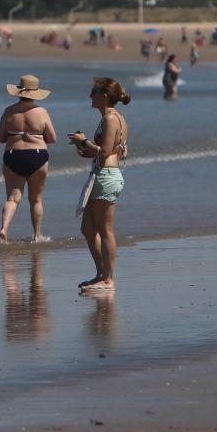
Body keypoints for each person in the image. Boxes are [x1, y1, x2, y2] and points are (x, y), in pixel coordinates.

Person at [70, 77, 130, 292]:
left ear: (104, 96)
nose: (90, 96)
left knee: (105, 229)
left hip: (107, 176)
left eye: (94, 92)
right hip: (102, 173)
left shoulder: (112, 119)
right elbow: (108, 151)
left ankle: (108, 278)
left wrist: (84, 141)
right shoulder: (113, 118)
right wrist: (84, 149)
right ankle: (101, 274)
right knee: (87, 228)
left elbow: (105, 152)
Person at [0, 73, 55, 243]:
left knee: (13, 198)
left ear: (19, 91)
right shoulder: (41, 112)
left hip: (13, 155)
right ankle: (37, 235)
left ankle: (4, 229)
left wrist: (14, 135)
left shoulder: (9, 111)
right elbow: (52, 139)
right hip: (37, 156)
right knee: (36, 199)